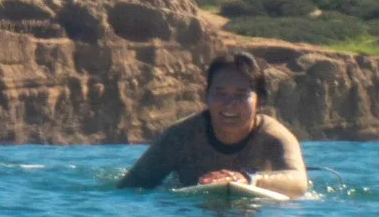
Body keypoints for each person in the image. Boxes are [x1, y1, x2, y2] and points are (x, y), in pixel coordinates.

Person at [120, 51, 310, 196]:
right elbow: (130, 186)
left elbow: (299, 183)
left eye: (241, 95)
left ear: (259, 99)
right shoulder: (180, 136)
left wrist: (247, 179)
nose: (229, 104)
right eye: (220, 93)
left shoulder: (273, 137)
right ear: (206, 96)